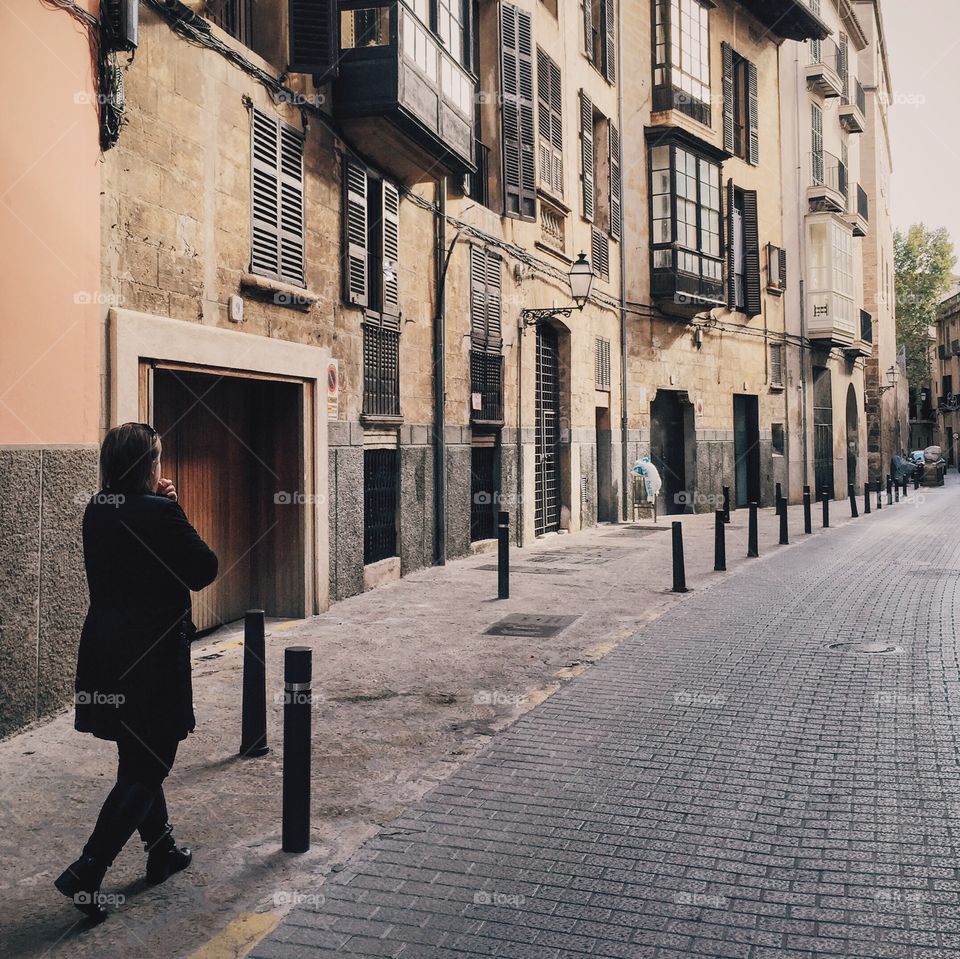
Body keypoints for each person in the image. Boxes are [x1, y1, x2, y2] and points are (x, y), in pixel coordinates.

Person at [54, 423, 218, 923]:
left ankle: (161, 849)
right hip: (152, 660)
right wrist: (172, 509)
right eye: (157, 459)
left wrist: (159, 507)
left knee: (137, 755)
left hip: (107, 652)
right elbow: (204, 569)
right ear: (149, 464)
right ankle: (87, 871)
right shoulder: (161, 513)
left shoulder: (96, 509)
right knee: (150, 765)